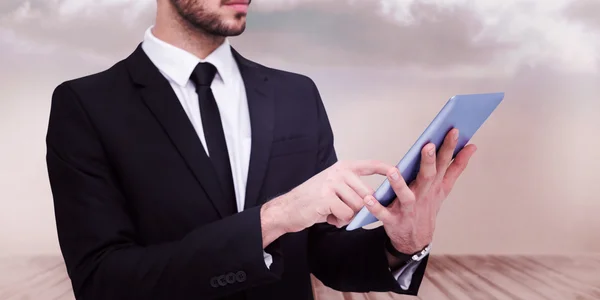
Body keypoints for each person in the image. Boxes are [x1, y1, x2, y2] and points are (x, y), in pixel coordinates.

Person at [45, 0, 477, 299]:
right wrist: (272, 219)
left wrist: (401, 244)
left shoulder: (296, 94)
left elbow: (321, 252)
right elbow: (103, 283)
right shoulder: (86, 106)